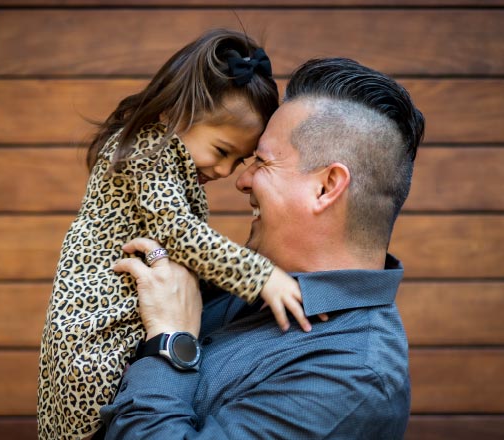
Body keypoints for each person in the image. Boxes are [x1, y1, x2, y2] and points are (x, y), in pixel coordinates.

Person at [104, 57, 425, 439]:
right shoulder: (250, 276)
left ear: (325, 187)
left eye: (262, 161)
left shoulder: (352, 377)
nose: (241, 180)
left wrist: (171, 342)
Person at [38, 29, 314, 440]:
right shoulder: (146, 152)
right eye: (222, 151)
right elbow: (179, 234)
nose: (224, 172)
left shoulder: (167, 159)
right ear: (176, 113)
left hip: (114, 329)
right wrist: (261, 276)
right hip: (92, 335)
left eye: (239, 161)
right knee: (92, 427)